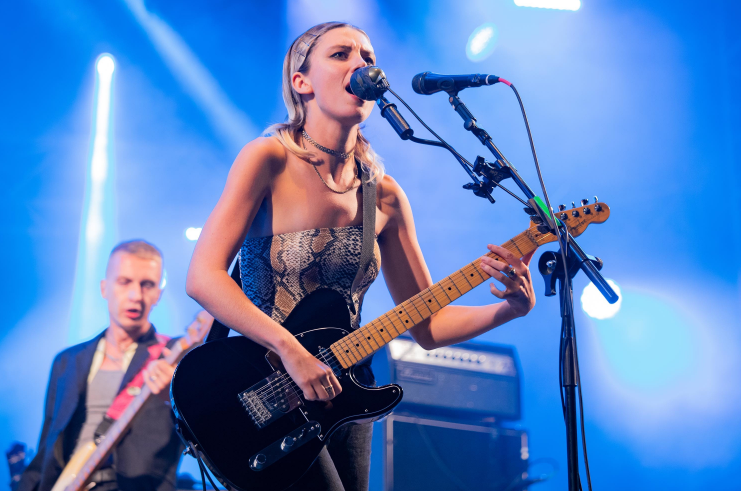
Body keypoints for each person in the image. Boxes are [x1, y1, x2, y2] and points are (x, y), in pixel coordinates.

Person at [185, 22, 536, 491]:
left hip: (344, 392)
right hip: (262, 388)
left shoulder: (385, 196)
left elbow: (427, 327)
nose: (362, 65)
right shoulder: (266, 158)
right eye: (341, 54)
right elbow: (203, 277)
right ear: (301, 81)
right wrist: (291, 352)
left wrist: (510, 309)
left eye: (368, 57)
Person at [19, 240, 212, 491]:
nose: (135, 295)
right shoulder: (67, 361)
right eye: (124, 282)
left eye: (147, 285)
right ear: (104, 288)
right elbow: (47, 446)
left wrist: (172, 398)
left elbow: (205, 439)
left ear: (159, 294)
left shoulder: (175, 357)